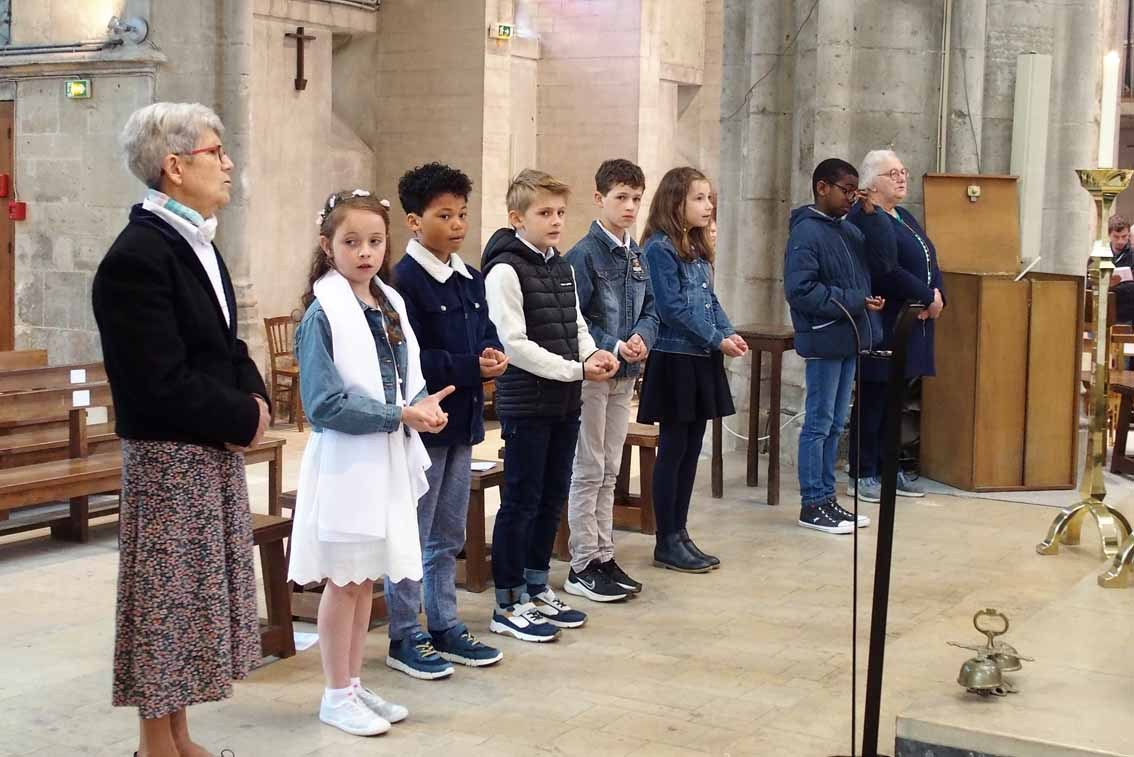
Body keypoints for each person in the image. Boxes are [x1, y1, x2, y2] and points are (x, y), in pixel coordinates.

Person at [93, 102, 271, 757]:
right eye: (215, 151)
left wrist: (255, 399)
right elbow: (156, 381)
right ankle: (153, 744)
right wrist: (241, 416)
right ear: (174, 165)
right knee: (164, 609)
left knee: (193, 604)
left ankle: (179, 734)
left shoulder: (196, 242)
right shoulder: (137, 256)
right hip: (168, 460)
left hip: (205, 450)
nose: (228, 162)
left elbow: (226, 344)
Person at [289, 189, 456, 736]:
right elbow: (322, 404)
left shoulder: (388, 302)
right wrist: (400, 414)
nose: (365, 253)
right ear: (327, 245)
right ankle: (335, 694)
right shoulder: (323, 314)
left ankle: (353, 684)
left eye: (375, 242)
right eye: (352, 242)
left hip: (383, 457)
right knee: (345, 580)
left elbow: (407, 378)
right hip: (346, 463)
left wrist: (424, 407)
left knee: (365, 579)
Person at [482, 169, 620, 641]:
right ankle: (508, 600)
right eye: (545, 213)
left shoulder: (560, 266)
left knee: (551, 496)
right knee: (520, 501)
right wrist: (576, 370)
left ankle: (537, 586)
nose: (556, 221)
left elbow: (576, 325)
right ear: (517, 218)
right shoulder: (505, 270)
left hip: (564, 400)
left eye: (560, 212)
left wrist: (592, 354)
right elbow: (514, 344)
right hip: (526, 402)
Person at [385, 163, 506, 678]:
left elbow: (486, 330)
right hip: (424, 425)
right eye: (444, 215)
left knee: (449, 533)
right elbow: (412, 359)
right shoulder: (402, 283)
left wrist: (492, 352)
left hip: (463, 423)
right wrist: (470, 367)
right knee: (414, 533)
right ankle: (404, 633)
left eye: (462, 214)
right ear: (414, 221)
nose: (457, 225)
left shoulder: (469, 277)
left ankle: (444, 623)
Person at [637, 166, 747, 572]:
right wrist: (716, 338)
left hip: (701, 356)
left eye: (709, 197)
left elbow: (709, 300)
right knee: (673, 449)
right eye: (699, 198)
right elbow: (671, 308)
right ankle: (665, 539)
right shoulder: (659, 248)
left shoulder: (696, 247)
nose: (708, 205)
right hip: (675, 359)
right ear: (675, 202)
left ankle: (680, 532)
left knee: (691, 449)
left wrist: (728, 332)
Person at [562, 158, 658, 602]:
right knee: (589, 468)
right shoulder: (583, 255)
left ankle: (604, 553)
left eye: (636, 198)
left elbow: (652, 309)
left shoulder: (637, 254)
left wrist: (641, 338)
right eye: (621, 197)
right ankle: (582, 563)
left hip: (626, 375)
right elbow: (574, 320)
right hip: (595, 374)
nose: (630, 207)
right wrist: (615, 345)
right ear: (599, 198)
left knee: (611, 468)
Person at [784, 158, 887, 534]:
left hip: (848, 336)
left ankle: (828, 499)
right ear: (822, 187)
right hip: (825, 335)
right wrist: (854, 300)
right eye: (846, 190)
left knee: (837, 422)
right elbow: (800, 290)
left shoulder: (848, 229)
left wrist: (873, 216)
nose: (851, 198)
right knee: (819, 422)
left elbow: (885, 260)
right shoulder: (806, 232)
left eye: (855, 191)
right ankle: (812, 503)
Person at [846, 149, 943, 502]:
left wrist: (938, 295)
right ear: (871, 184)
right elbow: (884, 270)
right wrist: (926, 295)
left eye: (903, 171)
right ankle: (863, 473)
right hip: (884, 319)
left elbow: (929, 258)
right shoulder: (865, 218)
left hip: (912, 319)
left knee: (896, 400)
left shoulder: (902, 215)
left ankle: (890, 469)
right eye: (892, 173)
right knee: (873, 399)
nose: (902, 178)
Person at [1106, 215, 1134, 324]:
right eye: (1116, 237)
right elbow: (1089, 283)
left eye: (1124, 236)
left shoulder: (1132, 256)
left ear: (1129, 235)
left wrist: (1112, 286)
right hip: (1105, 310)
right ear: (1109, 235)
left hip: (1127, 315)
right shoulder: (1099, 255)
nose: (1120, 241)